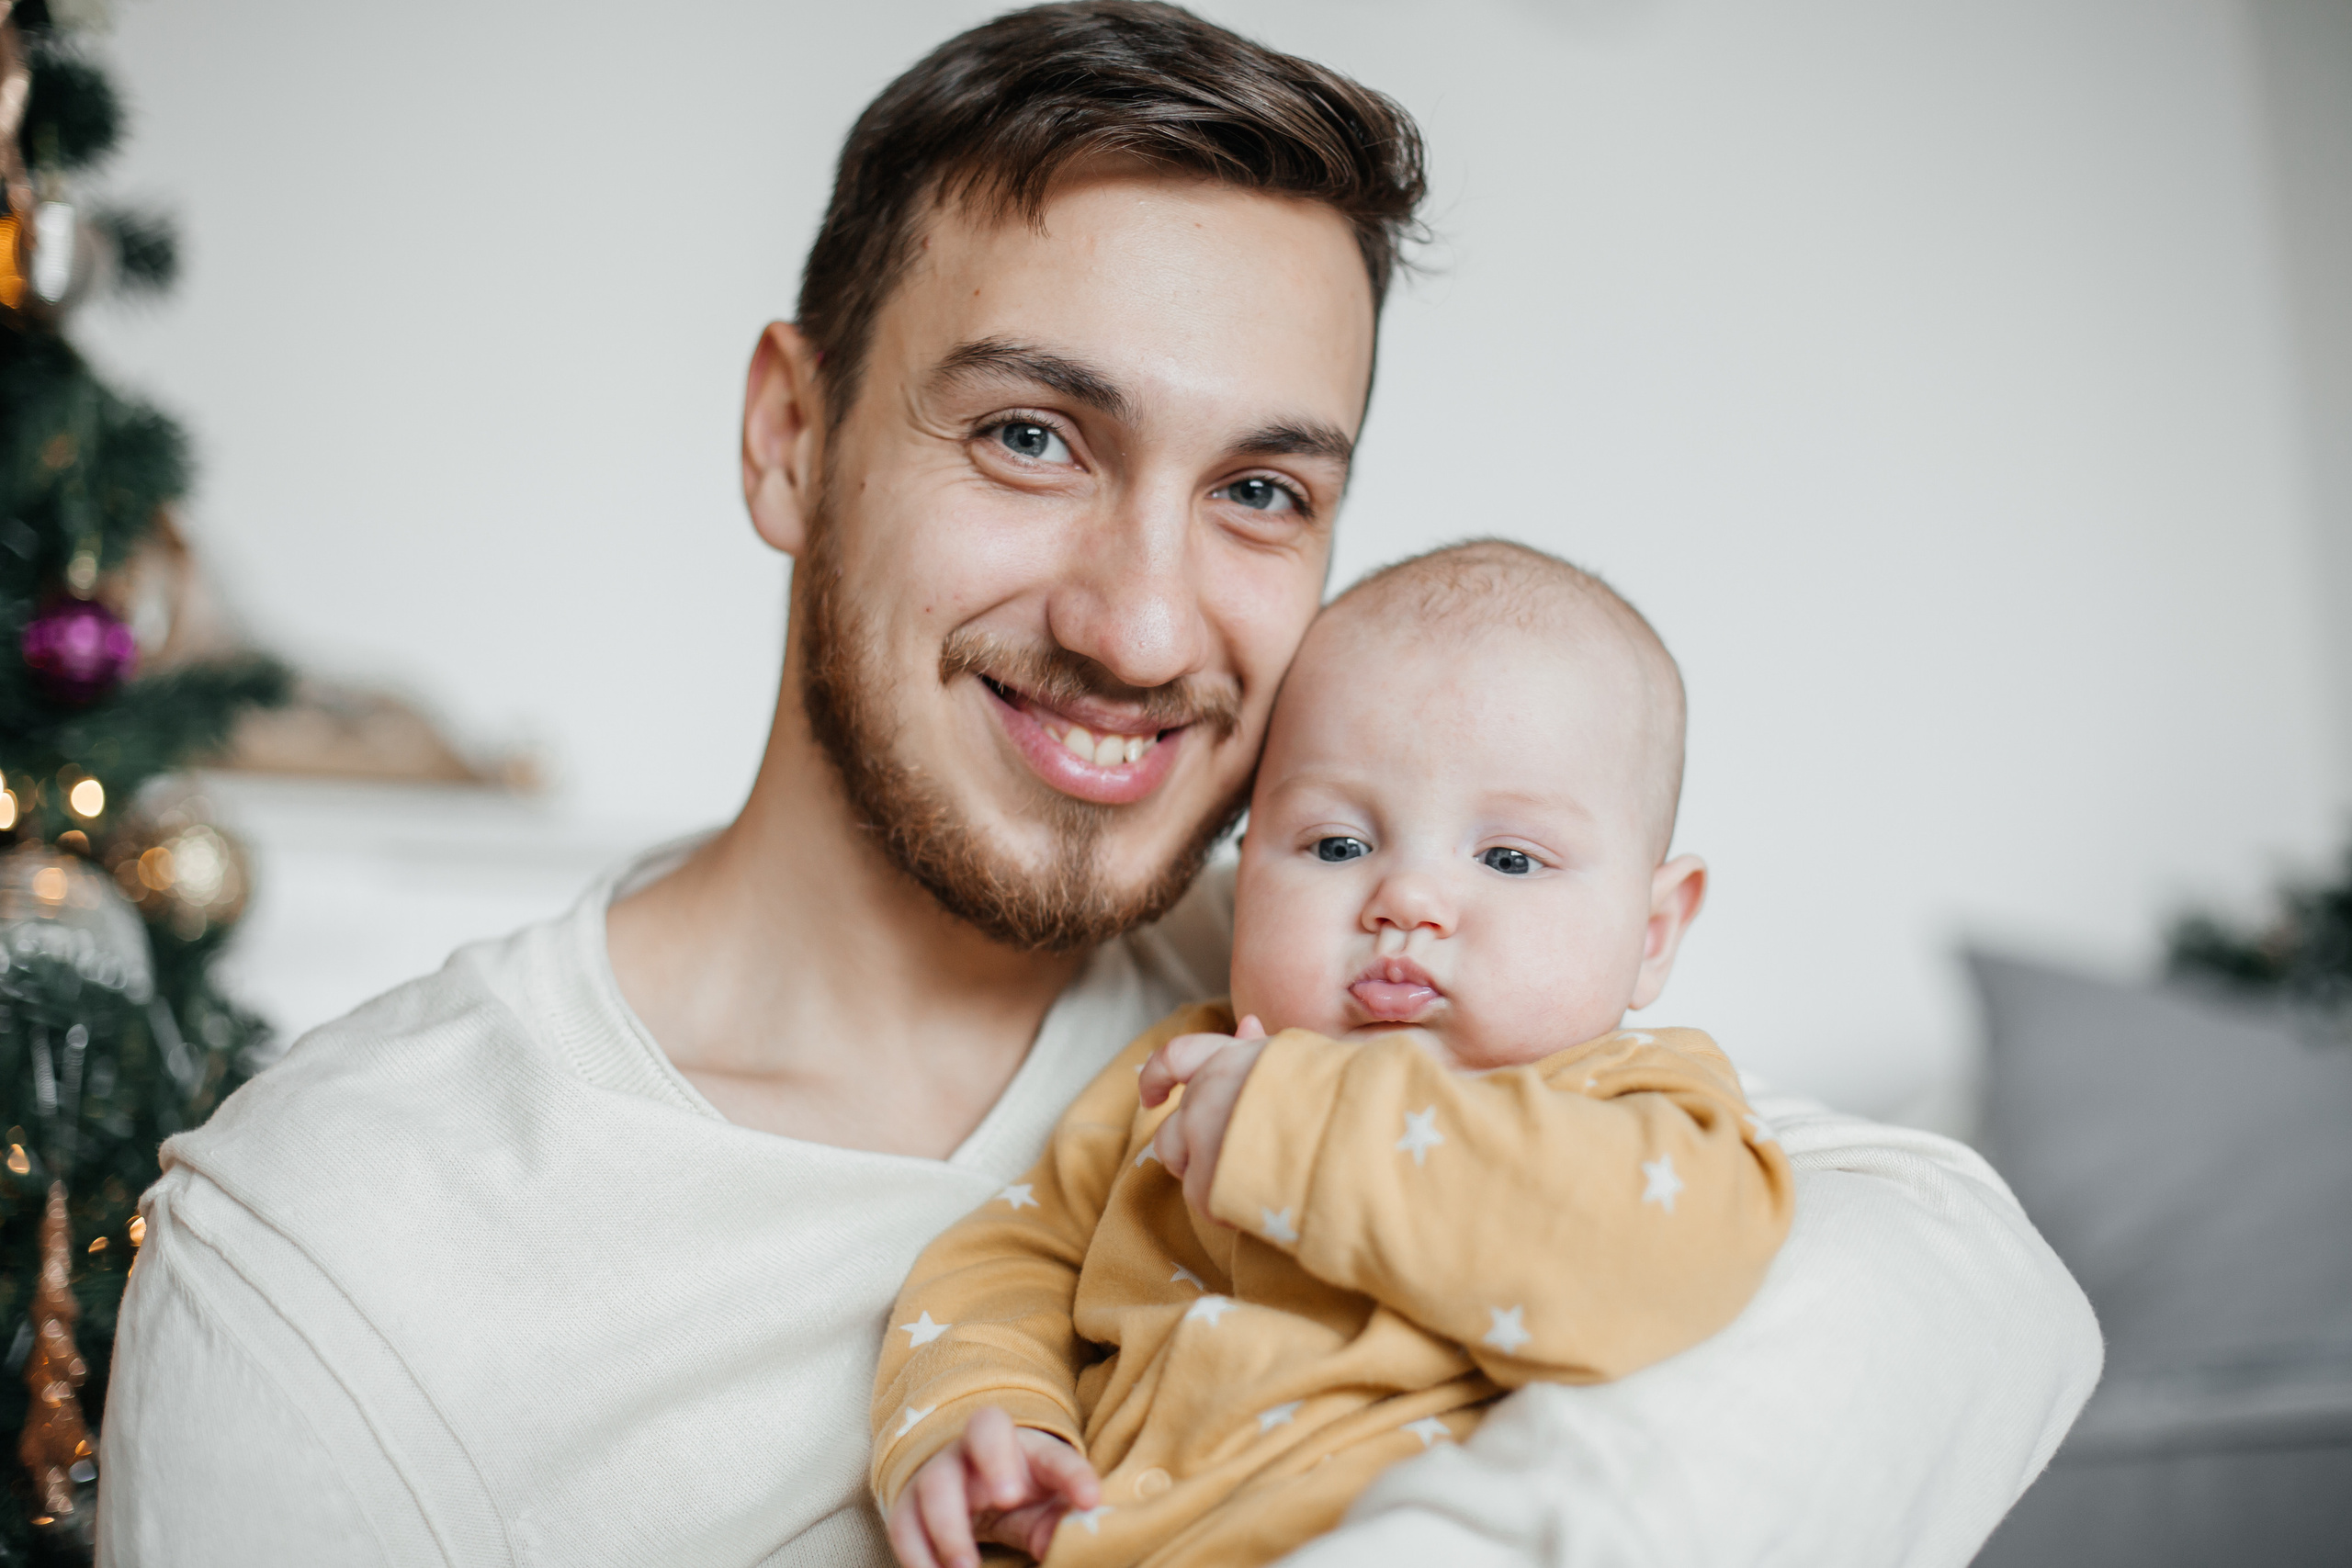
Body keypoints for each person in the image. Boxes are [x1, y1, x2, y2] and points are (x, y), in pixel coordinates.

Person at [95, 6, 2099, 1566]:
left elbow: (1967, 1279)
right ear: (790, 436)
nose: (1145, 630)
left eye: (1256, 490)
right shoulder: (340, 1252)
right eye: (1035, 435)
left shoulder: (1321, 962)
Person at [873, 542, 1798, 1568]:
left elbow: (1668, 1258)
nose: (1406, 901)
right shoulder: (1187, 1067)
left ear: (1654, 931)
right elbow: (1008, 1259)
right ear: (1245, 863)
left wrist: (1305, 1130)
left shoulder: (1627, 1103)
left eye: (1507, 858)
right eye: (1336, 846)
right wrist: (982, 1423)